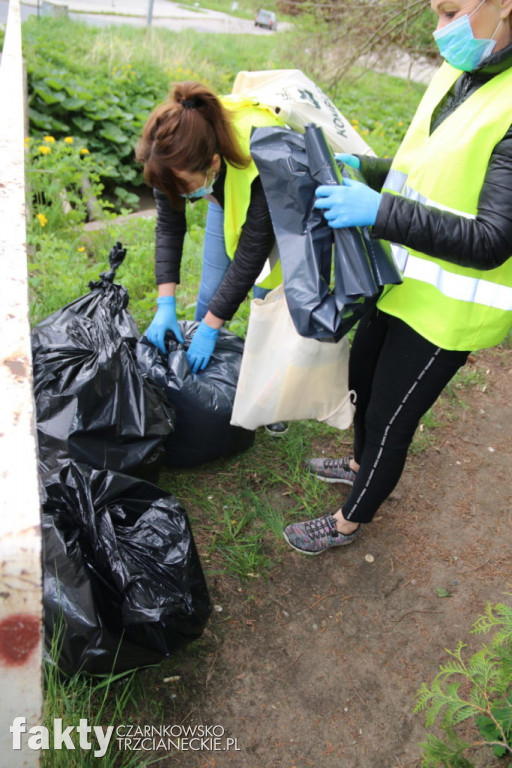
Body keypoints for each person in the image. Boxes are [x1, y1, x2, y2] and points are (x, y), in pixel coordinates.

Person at [283, 0, 512, 554]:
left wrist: (378, 212)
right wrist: (373, 170)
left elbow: (491, 240)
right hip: (399, 279)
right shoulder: (461, 71)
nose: (441, 29)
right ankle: (360, 464)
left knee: (391, 416)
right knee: (362, 380)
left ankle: (348, 521)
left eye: (451, 11)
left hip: (448, 315)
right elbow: (428, 166)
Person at [136, 81, 288, 435]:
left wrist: (211, 326)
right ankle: (199, 386)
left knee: (268, 303)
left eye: (188, 189)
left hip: (280, 201)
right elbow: (169, 228)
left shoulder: (262, 154)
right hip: (225, 188)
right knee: (210, 295)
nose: (188, 198)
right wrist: (165, 303)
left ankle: (269, 393)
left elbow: (251, 256)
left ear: (213, 163)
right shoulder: (170, 156)